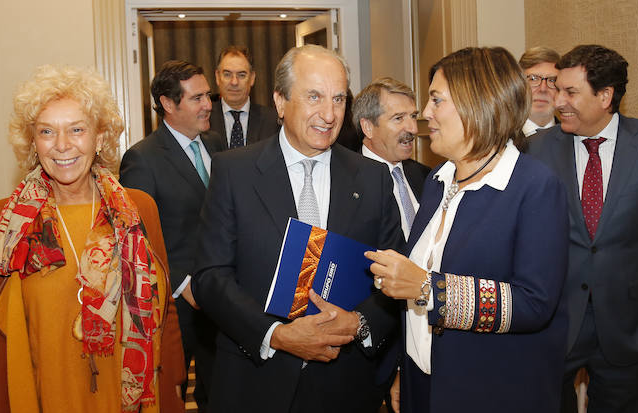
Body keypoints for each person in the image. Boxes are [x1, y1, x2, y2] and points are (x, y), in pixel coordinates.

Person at [193, 44, 404, 413]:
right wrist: (277, 335)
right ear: (279, 101)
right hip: (254, 382)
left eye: (339, 99)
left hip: (345, 385)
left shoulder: (373, 178)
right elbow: (211, 276)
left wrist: (359, 323)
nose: (329, 114)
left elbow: (394, 275)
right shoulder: (233, 172)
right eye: (314, 97)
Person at [0, 65, 185, 413]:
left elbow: (165, 313)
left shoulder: (139, 209)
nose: (62, 145)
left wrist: (173, 390)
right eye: (47, 131)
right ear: (33, 141)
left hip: (128, 396)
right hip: (44, 396)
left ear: (99, 137)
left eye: (77, 129)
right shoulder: (7, 222)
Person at [367, 47, 570, 413]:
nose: (425, 115)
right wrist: (404, 365)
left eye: (436, 100)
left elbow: (535, 303)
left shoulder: (534, 186)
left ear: (478, 104)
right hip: (423, 381)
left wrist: (430, 288)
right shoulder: (437, 179)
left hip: (490, 391)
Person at [526, 45, 638, 413]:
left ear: (605, 96)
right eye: (557, 89)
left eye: (570, 92)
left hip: (630, 330)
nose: (558, 101)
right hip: (552, 326)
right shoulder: (534, 150)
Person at [120, 60, 221, 411]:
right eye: (197, 98)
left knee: (219, 390)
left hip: (222, 296)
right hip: (175, 304)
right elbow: (139, 237)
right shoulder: (142, 159)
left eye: (208, 95)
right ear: (167, 103)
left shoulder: (217, 146)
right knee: (171, 392)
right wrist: (181, 284)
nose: (208, 104)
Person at [352, 77, 431, 239]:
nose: (413, 128)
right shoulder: (345, 180)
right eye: (398, 118)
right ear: (368, 127)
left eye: (413, 116)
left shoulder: (425, 175)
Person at [208, 46, 279, 151]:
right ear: (217, 77)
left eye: (241, 75)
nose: (234, 82)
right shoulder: (204, 118)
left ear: (252, 78)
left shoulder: (273, 120)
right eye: (227, 74)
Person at [519, 46, 561, 136]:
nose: (543, 89)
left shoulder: (575, 140)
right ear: (519, 85)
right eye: (533, 79)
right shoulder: (497, 141)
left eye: (552, 80)